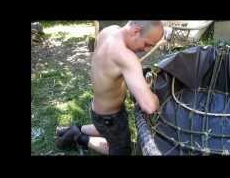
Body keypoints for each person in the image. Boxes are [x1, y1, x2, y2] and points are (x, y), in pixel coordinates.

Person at [56, 21, 164, 155]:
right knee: (122, 150)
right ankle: (79, 137)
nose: (147, 49)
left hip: (98, 109)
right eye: (147, 44)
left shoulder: (109, 31)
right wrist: (156, 98)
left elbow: (110, 67)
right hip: (110, 117)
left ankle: (75, 129)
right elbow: (149, 106)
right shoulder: (126, 57)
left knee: (105, 128)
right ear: (136, 31)